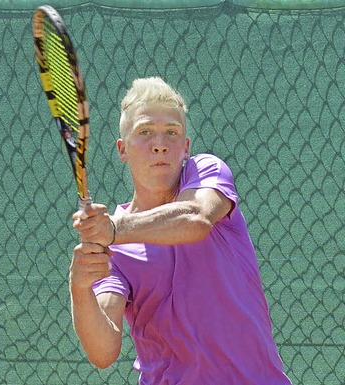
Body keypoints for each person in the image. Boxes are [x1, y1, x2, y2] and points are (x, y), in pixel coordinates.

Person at [70, 77, 291, 384]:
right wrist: (80, 291)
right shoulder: (116, 246)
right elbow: (103, 351)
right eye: (145, 132)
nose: (160, 144)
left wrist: (113, 229)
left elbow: (196, 219)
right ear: (123, 149)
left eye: (171, 133)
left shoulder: (208, 172)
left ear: (185, 147)